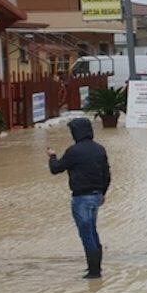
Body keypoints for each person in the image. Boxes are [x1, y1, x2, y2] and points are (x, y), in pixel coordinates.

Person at [47, 118, 111, 279]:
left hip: (81, 198)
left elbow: (56, 169)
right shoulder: (100, 149)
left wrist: (52, 156)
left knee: (86, 234)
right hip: (96, 196)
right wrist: (102, 192)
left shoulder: (74, 151)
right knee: (93, 231)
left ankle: (94, 272)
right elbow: (107, 174)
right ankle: (96, 268)